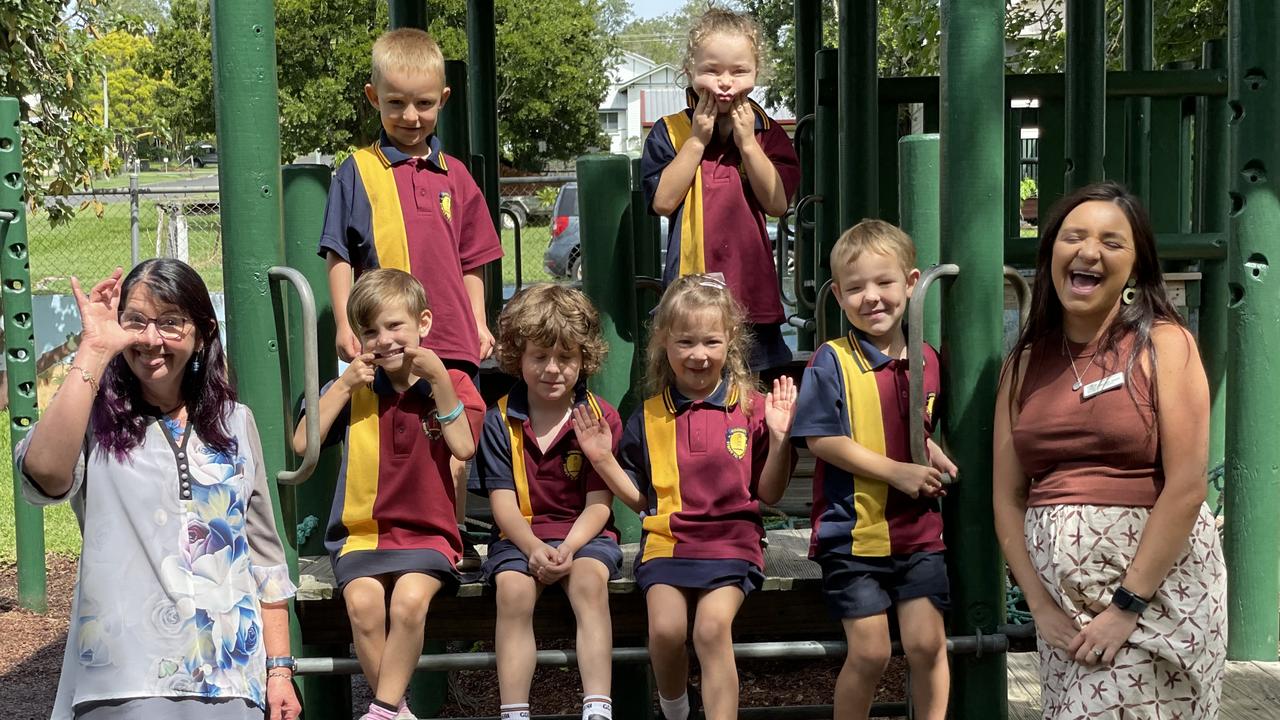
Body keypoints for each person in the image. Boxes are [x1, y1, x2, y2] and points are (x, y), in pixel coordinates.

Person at [17, 259, 301, 719]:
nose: (151, 339)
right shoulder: (91, 419)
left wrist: (280, 671)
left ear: (203, 331)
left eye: (170, 322)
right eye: (136, 321)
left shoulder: (235, 423)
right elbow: (42, 474)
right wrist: (92, 350)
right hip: (122, 676)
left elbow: (264, 557)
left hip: (230, 677)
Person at [992, 182, 1226, 718]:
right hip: (1065, 616)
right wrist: (1038, 603)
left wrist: (1127, 605)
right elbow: (1006, 496)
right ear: (1051, 251)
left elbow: (1187, 485)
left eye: (1111, 242)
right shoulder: (1024, 362)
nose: (1089, 251)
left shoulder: (1165, 344)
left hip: (1156, 598)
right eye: (1073, 237)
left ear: (1137, 266)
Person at [318, 27, 503, 570]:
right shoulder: (359, 171)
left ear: (442, 102)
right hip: (388, 334)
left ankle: (451, 534)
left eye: (424, 104)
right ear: (374, 98)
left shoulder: (457, 176)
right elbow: (339, 253)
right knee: (394, 434)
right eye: (396, 103)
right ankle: (391, 530)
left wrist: (478, 318)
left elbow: (474, 260)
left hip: (449, 336)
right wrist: (343, 323)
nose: (411, 116)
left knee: (453, 431)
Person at [573, 274, 796, 720]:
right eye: (686, 342)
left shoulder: (750, 407)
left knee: (712, 631)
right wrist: (603, 460)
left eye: (711, 342)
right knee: (666, 630)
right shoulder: (650, 415)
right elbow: (642, 501)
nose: (699, 355)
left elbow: (768, 493)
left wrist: (780, 436)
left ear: (730, 340)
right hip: (668, 543)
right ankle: (676, 711)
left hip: (732, 543)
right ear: (664, 344)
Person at [293, 269, 485, 720]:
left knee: (409, 601)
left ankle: (381, 709)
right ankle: (395, 711)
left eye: (395, 326)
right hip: (363, 534)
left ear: (424, 323)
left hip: (428, 534)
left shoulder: (451, 383)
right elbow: (304, 444)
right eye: (370, 331)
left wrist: (438, 380)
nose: (384, 340)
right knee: (362, 605)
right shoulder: (353, 390)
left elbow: (462, 446)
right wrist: (342, 385)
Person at [790, 220, 956, 720]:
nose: (872, 298)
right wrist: (897, 472)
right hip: (853, 534)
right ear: (838, 296)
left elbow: (913, 424)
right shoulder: (831, 360)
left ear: (910, 283)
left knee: (928, 646)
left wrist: (930, 451)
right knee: (871, 651)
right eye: (856, 288)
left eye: (884, 283)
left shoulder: (927, 358)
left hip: (918, 534)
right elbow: (822, 439)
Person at [469, 284, 622, 720]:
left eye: (567, 358)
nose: (553, 369)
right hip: (521, 537)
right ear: (518, 357)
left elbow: (599, 503)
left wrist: (569, 548)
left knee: (590, 584)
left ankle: (597, 705)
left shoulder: (598, 416)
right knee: (513, 591)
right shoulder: (499, 418)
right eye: (540, 357)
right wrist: (534, 549)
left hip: (584, 536)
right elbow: (502, 504)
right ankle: (514, 710)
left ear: (584, 359)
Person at [641, 7, 801, 372]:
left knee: (756, 388)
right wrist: (697, 141)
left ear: (756, 73)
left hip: (752, 300)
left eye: (739, 71)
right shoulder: (669, 132)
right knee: (690, 386)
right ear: (690, 72)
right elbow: (663, 202)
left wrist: (747, 144)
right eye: (711, 71)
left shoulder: (766, 132)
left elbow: (776, 202)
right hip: (689, 300)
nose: (725, 82)